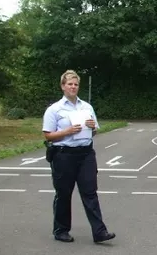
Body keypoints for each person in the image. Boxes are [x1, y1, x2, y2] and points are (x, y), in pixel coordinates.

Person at [42, 70, 115, 243]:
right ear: (63, 86)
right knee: (64, 194)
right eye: (69, 84)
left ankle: (99, 232)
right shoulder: (54, 110)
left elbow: (94, 131)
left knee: (90, 193)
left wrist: (92, 127)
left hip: (85, 154)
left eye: (75, 84)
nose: (73, 87)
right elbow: (48, 135)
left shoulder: (86, 107)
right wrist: (67, 131)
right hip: (64, 155)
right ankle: (61, 230)